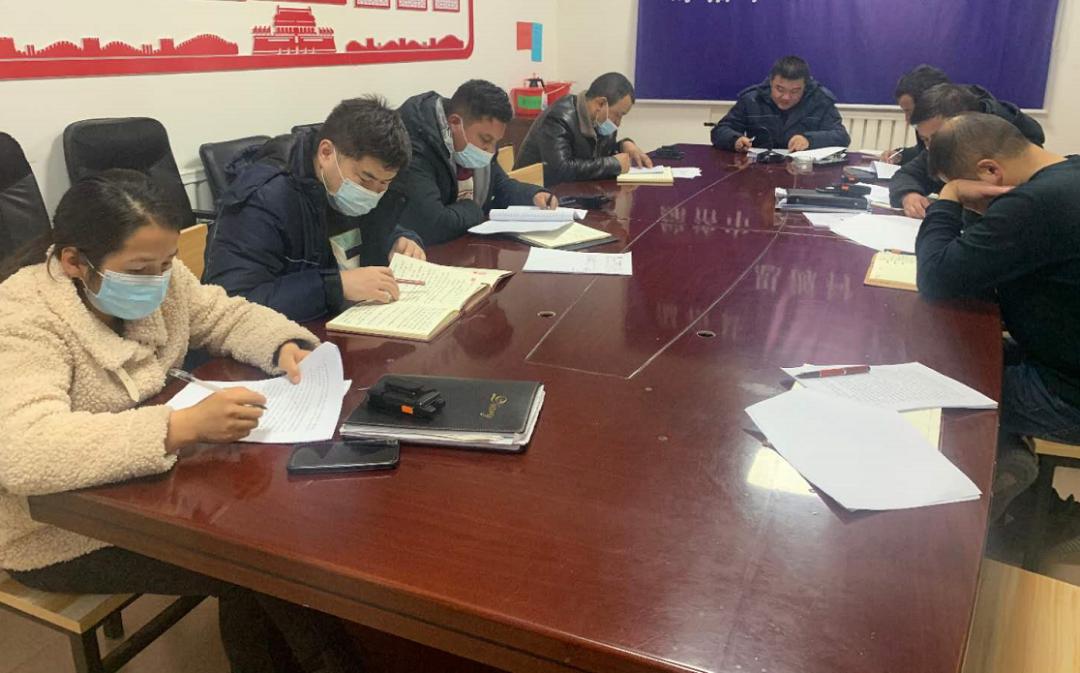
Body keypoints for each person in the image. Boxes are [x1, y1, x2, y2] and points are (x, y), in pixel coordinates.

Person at [0, 170, 364, 673]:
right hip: (57, 527)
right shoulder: (22, 318)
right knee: (255, 563)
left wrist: (284, 344)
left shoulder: (161, 277)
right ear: (74, 262)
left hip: (146, 486)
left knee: (268, 538)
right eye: (141, 269)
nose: (160, 281)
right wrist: (179, 427)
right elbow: (23, 449)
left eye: (167, 263)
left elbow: (224, 315)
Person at [916, 113, 1080, 526]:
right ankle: (1016, 473)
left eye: (972, 192)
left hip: (1064, 393)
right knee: (954, 356)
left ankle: (990, 501)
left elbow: (936, 276)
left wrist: (950, 197)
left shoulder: (1036, 204)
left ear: (990, 171)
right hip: (1057, 355)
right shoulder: (1067, 172)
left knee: (931, 394)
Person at [203, 96, 425, 323]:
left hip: (351, 320)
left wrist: (398, 239)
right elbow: (232, 304)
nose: (373, 193)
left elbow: (373, 227)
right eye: (365, 179)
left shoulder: (359, 184)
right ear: (326, 153)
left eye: (385, 183)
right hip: (286, 335)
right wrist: (336, 286)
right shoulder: (264, 199)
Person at [394, 79, 557, 245]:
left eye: (496, 142)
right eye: (486, 140)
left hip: (465, 245)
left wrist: (533, 195)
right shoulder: (414, 145)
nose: (490, 151)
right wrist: (474, 208)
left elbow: (499, 185)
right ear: (454, 123)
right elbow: (432, 225)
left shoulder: (469, 137)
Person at [889, 83, 1045, 218]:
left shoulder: (1011, 153)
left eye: (936, 138)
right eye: (925, 140)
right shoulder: (941, 145)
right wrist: (909, 194)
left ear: (966, 125)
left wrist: (951, 195)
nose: (931, 148)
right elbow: (908, 174)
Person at [514, 72, 652, 185]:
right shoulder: (559, 117)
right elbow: (561, 170)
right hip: (534, 196)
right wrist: (613, 164)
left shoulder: (600, 121)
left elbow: (600, 156)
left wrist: (623, 145)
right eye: (618, 115)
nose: (618, 123)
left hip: (574, 194)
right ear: (600, 103)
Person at [710, 55, 850, 153]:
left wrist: (809, 140)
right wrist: (735, 140)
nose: (786, 97)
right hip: (759, 172)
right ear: (771, 82)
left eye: (795, 91)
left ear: (805, 87)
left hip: (803, 175)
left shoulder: (820, 101)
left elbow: (841, 137)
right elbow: (720, 130)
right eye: (780, 89)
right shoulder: (752, 99)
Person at [881, 65, 951, 165]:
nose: (907, 120)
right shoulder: (927, 126)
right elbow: (922, 152)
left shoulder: (969, 131)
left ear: (931, 103)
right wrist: (900, 155)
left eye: (910, 112)